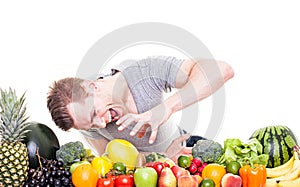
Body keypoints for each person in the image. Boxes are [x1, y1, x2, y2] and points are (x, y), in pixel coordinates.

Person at [47, 56, 234, 160]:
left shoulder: (143, 74)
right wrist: (164, 157)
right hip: (151, 168)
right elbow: (112, 159)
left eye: (95, 112)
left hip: (185, 146)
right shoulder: (83, 121)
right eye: (92, 125)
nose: (102, 123)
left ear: (92, 86)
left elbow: (222, 69)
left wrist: (166, 108)